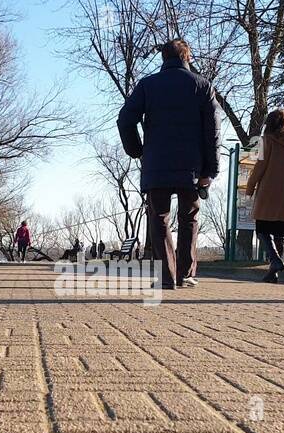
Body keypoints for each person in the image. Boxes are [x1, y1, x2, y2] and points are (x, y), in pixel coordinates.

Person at [117, 39, 220, 289]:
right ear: (189, 57)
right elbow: (213, 131)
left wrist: (137, 150)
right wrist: (210, 170)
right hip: (191, 168)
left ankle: (166, 277)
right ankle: (185, 273)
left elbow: (124, 119)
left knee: (159, 219)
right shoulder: (203, 86)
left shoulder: (147, 85)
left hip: (156, 165)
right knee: (190, 217)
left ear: (163, 59)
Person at [245, 108, 284, 283]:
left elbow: (259, 167)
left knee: (263, 230)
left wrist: (250, 188)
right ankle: (273, 272)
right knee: (281, 232)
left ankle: (276, 261)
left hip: (268, 192)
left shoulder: (265, 141)